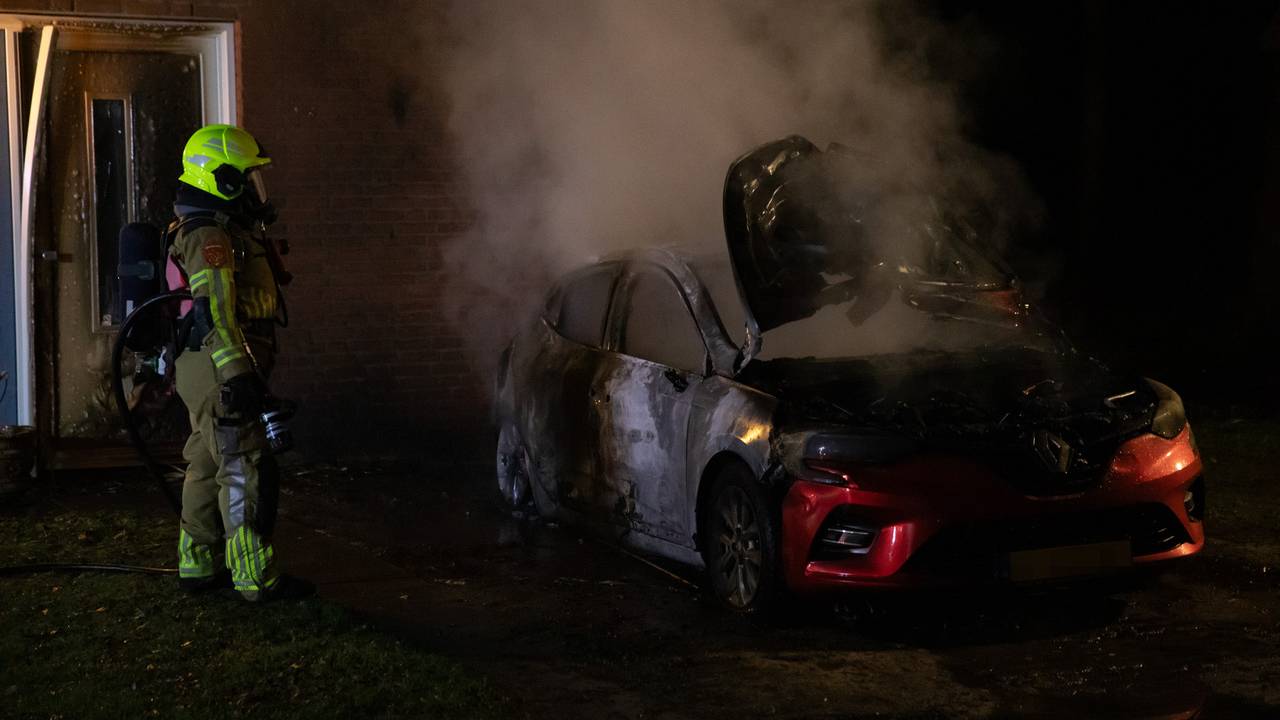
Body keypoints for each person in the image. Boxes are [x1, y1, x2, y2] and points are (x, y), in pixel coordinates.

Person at [168, 124, 306, 601]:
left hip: (204, 366)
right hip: (218, 366)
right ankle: (254, 577)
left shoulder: (219, 229)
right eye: (246, 178)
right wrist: (238, 374)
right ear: (221, 179)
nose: (254, 189)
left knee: (207, 462)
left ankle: (198, 562)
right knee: (243, 465)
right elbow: (216, 313)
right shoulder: (209, 235)